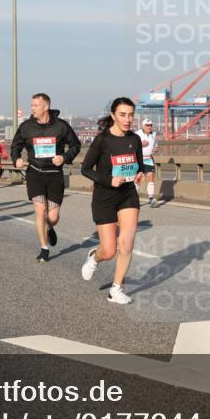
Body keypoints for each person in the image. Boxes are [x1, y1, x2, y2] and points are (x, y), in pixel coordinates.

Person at [80, 98, 147, 304]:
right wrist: (109, 180)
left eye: (131, 115)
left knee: (126, 244)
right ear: (113, 116)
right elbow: (85, 169)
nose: (128, 120)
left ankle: (116, 289)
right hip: (104, 197)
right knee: (109, 251)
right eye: (123, 115)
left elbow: (140, 164)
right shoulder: (102, 140)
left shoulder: (135, 139)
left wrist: (140, 173)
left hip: (128, 194)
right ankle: (95, 257)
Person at [10, 93, 82, 262]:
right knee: (40, 211)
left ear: (46, 107)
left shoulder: (62, 126)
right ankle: (44, 248)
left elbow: (76, 145)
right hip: (35, 173)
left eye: (35, 105)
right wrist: (17, 159)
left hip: (54, 175)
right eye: (32, 105)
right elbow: (15, 146)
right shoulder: (26, 127)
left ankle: (49, 228)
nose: (32, 108)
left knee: (53, 217)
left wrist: (64, 158)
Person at [137, 118, 159, 206]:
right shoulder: (137, 134)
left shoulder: (153, 134)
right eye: (147, 125)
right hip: (139, 159)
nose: (149, 127)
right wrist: (140, 145)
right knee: (138, 179)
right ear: (143, 126)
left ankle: (151, 198)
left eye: (151, 125)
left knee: (151, 177)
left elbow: (156, 145)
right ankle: (135, 199)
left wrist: (156, 149)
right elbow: (130, 145)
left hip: (149, 159)